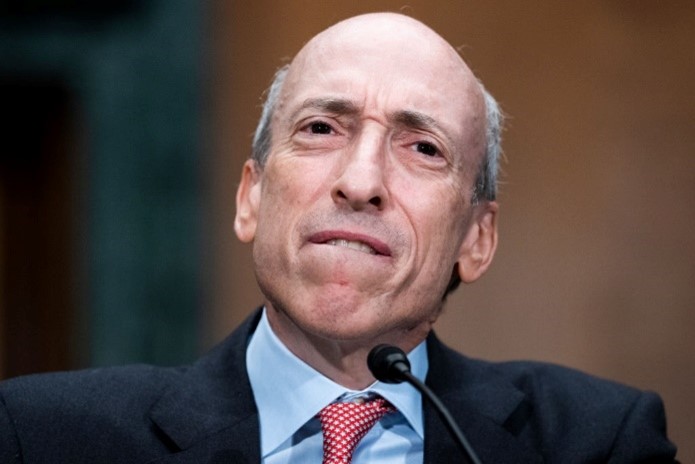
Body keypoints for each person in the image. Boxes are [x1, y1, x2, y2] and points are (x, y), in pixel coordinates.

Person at [0, 12, 678, 464]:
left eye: (423, 148)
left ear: (476, 239)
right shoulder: (44, 437)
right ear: (251, 197)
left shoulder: (595, 441)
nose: (360, 182)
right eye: (321, 128)